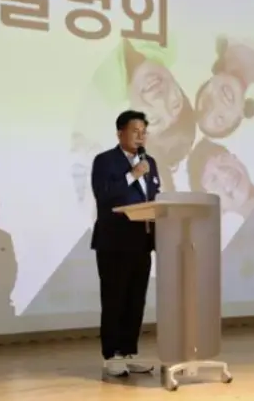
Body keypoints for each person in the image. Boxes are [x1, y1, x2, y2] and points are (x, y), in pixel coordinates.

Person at [90, 110, 160, 377]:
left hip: (142, 241)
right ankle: (112, 355)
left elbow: (152, 198)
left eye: (144, 132)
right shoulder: (105, 161)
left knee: (135, 300)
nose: (140, 136)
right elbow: (104, 195)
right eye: (135, 131)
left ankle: (130, 352)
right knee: (114, 299)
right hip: (114, 243)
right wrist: (133, 175)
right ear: (120, 133)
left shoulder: (150, 162)